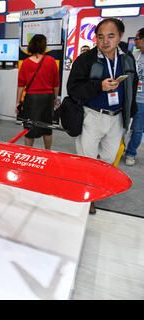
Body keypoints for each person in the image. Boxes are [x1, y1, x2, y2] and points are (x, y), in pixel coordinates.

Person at [67, 18, 138, 214]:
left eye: (111, 36)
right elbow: (72, 88)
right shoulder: (86, 59)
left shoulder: (127, 59)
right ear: (96, 38)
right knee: (87, 159)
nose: (105, 41)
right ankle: (87, 196)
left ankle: (96, 189)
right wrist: (99, 86)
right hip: (91, 116)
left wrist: (130, 113)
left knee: (107, 159)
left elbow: (132, 85)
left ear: (120, 36)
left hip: (116, 118)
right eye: (101, 37)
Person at [15, 34, 60, 150]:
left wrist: (17, 102)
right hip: (47, 98)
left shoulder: (25, 63)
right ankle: (48, 152)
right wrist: (54, 99)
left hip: (31, 99)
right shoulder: (51, 61)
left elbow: (20, 85)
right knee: (47, 128)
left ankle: (28, 153)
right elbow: (56, 84)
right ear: (44, 46)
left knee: (29, 128)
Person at [125, 28, 144, 166]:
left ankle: (130, 153)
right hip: (129, 97)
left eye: (137, 38)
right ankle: (115, 149)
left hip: (142, 101)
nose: (135, 41)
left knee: (137, 130)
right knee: (121, 126)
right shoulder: (133, 55)